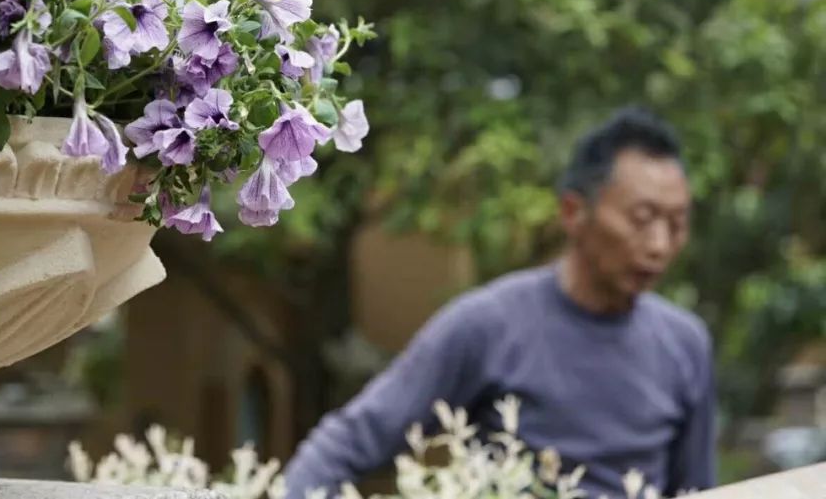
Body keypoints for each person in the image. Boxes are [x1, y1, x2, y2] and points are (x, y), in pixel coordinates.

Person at [283, 106, 715, 499]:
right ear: (573, 213)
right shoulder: (487, 326)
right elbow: (348, 443)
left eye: (676, 225)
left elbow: (696, 489)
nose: (660, 244)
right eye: (641, 219)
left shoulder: (685, 344)